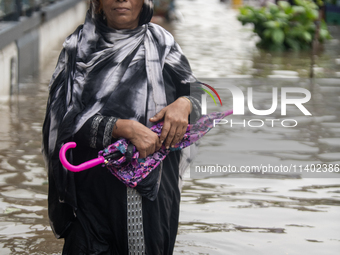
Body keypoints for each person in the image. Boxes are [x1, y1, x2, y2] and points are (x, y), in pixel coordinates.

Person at [42, 0, 202, 254]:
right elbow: (61, 120)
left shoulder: (163, 43)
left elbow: (196, 94)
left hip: (152, 191)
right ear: (98, 3)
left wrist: (184, 104)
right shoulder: (77, 47)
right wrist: (119, 127)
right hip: (93, 190)